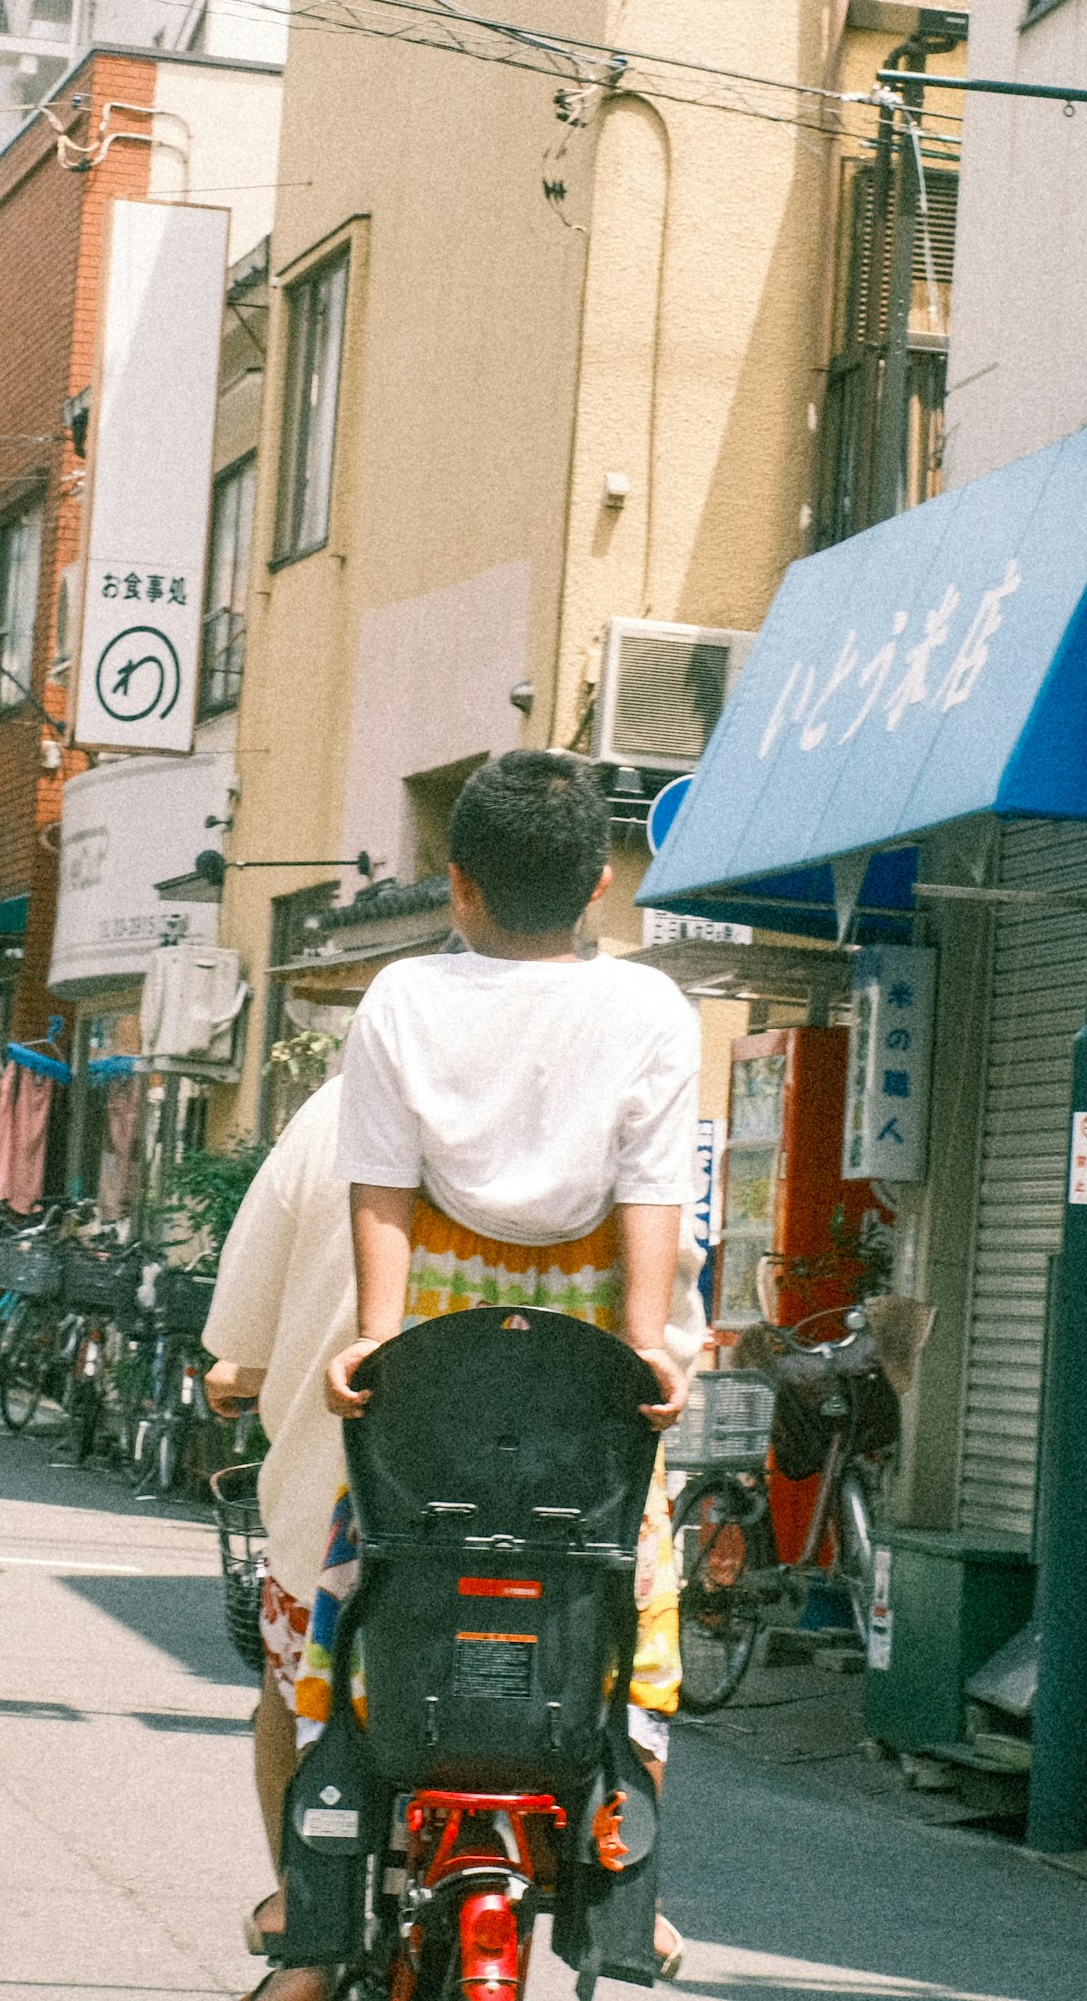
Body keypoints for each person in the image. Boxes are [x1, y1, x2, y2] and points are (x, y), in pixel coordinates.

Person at [307, 748, 703, 1982]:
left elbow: (382, 1188)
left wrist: (372, 1334)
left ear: (457, 883)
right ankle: (619, 1855)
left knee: (380, 1576)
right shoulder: (649, 1008)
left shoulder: (401, 999)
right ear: (598, 884)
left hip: (441, 1334)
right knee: (623, 1595)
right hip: (587, 1340)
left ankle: (323, 1903)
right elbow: (651, 1196)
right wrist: (646, 1351)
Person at [195, 1084, 356, 2001]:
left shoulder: (342, 1107)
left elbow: (245, 1316)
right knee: (618, 1681)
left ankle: (305, 1926)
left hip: (350, 1506)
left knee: (289, 1684)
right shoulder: (594, 1091)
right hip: (567, 1523)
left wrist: (243, 1361)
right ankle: (625, 1885)